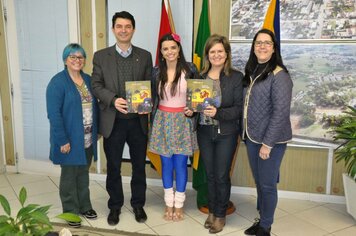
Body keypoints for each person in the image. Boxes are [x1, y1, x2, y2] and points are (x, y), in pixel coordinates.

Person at [91, 11, 152, 225]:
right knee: (114, 167)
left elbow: (149, 85)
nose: (123, 30)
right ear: (113, 29)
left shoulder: (145, 55)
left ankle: (138, 204)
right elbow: (96, 85)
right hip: (113, 122)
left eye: (128, 26)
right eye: (119, 26)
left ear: (133, 29)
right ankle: (115, 206)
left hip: (137, 123)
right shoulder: (100, 56)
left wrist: (147, 104)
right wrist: (113, 99)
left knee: (138, 166)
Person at [242, 29, 293, 236]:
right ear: (253, 48)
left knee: (267, 185)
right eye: (258, 43)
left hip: (270, 142)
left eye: (267, 43)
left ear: (274, 48)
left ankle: (265, 226)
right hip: (252, 137)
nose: (262, 47)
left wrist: (268, 144)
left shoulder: (279, 75)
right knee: (260, 182)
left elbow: (280, 113)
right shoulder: (253, 71)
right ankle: (262, 219)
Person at [46, 43, 98, 228]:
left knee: (83, 174)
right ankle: (70, 211)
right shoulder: (57, 82)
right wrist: (62, 140)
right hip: (69, 139)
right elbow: (54, 114)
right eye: (72, 57)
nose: (77, 60)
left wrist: (97, 131)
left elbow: (95, 107)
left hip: (87, 138)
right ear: (65, 60)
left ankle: (85, 206)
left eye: (80, 57)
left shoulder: (88, 80)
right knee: (69, 177)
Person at [148, 33, 199, 221]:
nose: (170, 51)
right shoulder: (155, 72)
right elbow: (150, 97)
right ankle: (168, 202)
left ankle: (179, 204)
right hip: (162, 121)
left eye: (173, 47)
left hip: (183, 122)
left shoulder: (190, 69)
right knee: (166, 165)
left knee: (180, 165)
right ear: (161, 52)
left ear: (179, 50)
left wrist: (193, 110)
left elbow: (199, 97)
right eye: (165, 48)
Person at [196, 34, 243, 234]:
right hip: (205, 132)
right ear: (208, 54)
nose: (216, 55)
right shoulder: (199, 77)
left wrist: (219, 113)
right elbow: (195, 105)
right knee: (211, 174)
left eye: (220, 51)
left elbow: (239, 108)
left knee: (222, 175)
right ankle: (212, 211)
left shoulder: (236, 77)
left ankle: (220, 214)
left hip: (226, 133)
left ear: (227, 54)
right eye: (212, 51)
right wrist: (191, 110)